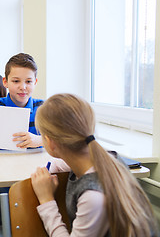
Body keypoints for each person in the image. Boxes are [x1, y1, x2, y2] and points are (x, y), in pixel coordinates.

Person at [31, 93, 158, 236]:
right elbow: (61, 164)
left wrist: (46, 199)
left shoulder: (93, 196)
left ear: (49, 142)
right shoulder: (105, 157)